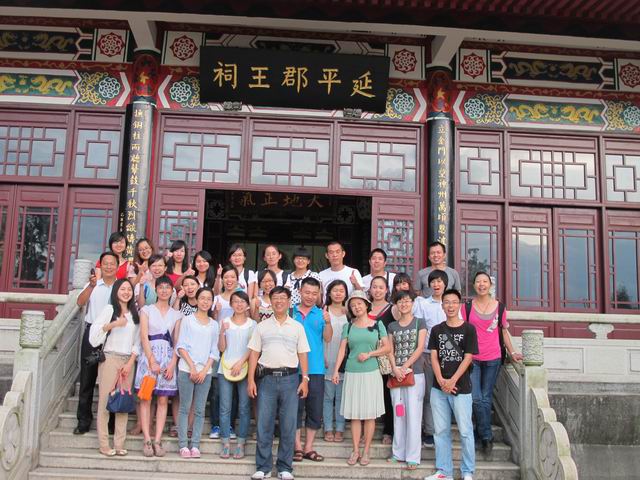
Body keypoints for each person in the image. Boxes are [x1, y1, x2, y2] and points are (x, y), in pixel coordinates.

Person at [247, 286, 310, 480]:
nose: (279, 301)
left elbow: (302, 354)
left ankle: (285, 467)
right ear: (271, 301)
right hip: (266, 379)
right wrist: (251, 380)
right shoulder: (262, 326)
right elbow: (254, 354)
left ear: (289, 301)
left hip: (290, 379)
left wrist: (305, 379)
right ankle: (263, 467)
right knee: (264, 424)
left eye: (283, 297)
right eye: (275, 297)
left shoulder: (297, 327)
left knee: (288, 424)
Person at [462, 271, 523, 456]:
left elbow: (503, 332)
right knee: (476, 397)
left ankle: (482, 436)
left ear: (490, 285)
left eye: (485, 281)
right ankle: (486, 436)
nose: (481, 284)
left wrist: (512, 352)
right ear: (474, 285)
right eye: (478, 282)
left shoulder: (500, 307)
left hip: (493, 357)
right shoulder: (467, 307)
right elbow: (462, 331)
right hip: (473, 358)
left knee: (486, 397)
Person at [331, 290, 390, 467]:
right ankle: (356, 450)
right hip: (352, 372)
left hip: (372, 372)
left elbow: (387, 348)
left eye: (359, 303)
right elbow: (342, 350)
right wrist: (336, 371)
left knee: (370, 415)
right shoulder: (348, 327)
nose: (356, 307)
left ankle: (366, 451)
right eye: (353, 305)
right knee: (355, 415)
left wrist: (370, 354)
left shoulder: (378, 324)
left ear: (366, 305)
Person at [425, 289, 478, 480]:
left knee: (465, 431)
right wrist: (441, 380)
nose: (450, 306)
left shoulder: (469, 329)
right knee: (440, 431)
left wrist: (452, 380)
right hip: (438, 388)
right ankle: (444, 471)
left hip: (461, 388)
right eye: (447, 302)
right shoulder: (436, 330)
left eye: (454, 302)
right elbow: (433, 356)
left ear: (459, 305)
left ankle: (467, 470)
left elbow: (468, 357)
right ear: (442, 306)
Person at [88, 278, 139, 456]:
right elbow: (94, 335)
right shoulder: (109, 310)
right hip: (110, 358)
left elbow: (137, 342)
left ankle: (119, 444)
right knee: (105, 402)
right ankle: (104, 444)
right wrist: (114, 324)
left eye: (129, 289)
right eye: (122, 289)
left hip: (128, 361)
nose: (126, 292)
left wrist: (130, 362)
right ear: (116, 291)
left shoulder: (135, 313)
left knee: (123, 402)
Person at [135, 275, 182, 457]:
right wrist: (151, 360)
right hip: (149, 357)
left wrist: (172, 363)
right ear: (156, 290)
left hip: (168, 358)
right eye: (161, 287)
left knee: (163, 400)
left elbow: (177, 340)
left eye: (167, 287)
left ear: (172, 291)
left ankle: (158, 439)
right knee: (146, 398)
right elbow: (143, 336)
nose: (164, 290)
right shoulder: (146, 310)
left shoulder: (176, 314)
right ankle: (147, 439)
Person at [74, 251, 118, 435]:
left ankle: (111, 422)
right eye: (105, 263)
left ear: (117, 266)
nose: (108, 266)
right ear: (101, 266)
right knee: (87, 379)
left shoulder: (121, 286)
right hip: (92, 333)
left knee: (112, 381)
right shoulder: (93, 285)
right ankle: (83, 421)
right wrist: (91, 286)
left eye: (112, 263)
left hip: (113, 335)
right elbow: (79, 302)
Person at [176, 287, 219, 459]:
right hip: (186, 369)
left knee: (200, 410)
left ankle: (195, 445)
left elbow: (214, 350)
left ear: (212, 302)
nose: (205, 301)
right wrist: (193, 368)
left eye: (209, 299)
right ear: (197, 300)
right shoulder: (187, 320)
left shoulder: (214, 324)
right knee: (185, 408)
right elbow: (181, 345)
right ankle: (182, 445)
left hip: (205, 372)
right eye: (202, 298)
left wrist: (204, 370)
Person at [292, 277, 332, 463]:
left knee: (314, 409)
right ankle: (297, 447)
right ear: (300, 291)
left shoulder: (321, 313)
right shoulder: (290, 312)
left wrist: (328, 322)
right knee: (294, 408)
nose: (310, 296)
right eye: (307, 292)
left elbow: (328, 338)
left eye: (314, 294)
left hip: (316, 368)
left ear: (319, 295)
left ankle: (308, 447)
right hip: (293, 368)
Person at [386, 290, 427, 470]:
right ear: (396, 305)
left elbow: (420, 348)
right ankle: (398, 453)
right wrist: (395, 368)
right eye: (400, 301)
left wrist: (404, 367)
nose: (404, 304)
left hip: (414, 373)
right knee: (399, 413)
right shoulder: (392, 326)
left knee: (414, 415)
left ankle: (412, 456)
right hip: (396, 375)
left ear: (413, 303)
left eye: (407, 301)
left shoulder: (420, 322)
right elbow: (390, 349)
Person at [218, 290, 256, 460]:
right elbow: (221, 348)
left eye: (242, 301)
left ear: (247, 304)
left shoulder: (253, 324)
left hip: (245, 368)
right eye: (236, 301)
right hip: (225, 368)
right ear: (231, 304)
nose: (239, 304)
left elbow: (253, 348)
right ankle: (225, 443)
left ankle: (241, 444)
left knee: (244, 407)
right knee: (225, 406)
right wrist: (222, 332)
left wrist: (241, 363)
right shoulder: (225, 322)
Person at [415, 269, 448, 448]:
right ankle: (429, 431)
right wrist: (420, 354)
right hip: (427, 355)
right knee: (428, 395)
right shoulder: (423, 304)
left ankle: (443, 430)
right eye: (433, 281)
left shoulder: (451, 304)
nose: (436, 284)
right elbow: (419, 329)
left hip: (448, 357)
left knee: (445, 393)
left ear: (445, 284)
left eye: (439, 281)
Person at [210, 264, 240, 440]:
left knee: (233, 390)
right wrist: (216, 312)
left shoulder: (241, 298)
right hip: (218, 348)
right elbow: (212, 322)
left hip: (235, 349)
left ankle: (230, 425)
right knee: (216, 390)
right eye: (226, 277)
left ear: (237, 280)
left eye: (232, 277)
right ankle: (215, 424)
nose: (229, 280)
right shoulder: (216, 299)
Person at [368, 275, 396, 445]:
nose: (377, 290)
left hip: (385, 357)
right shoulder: (363, 307)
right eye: (374, 287)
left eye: (381, 287)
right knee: (368, 394)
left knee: (387, 394)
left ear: (386, 290)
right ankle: (366, 431)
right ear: (370, 289)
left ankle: (388, 430)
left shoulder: (393, 309)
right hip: (367, 357)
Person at [322, 280, 348, 443]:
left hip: (344, 360)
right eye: (335, 290)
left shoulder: (350, 312)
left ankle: (340, 428)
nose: (338, 293)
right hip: (327, 356)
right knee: (327, 396)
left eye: (341, 290)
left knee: (341, 397)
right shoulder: (323, 311)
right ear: (329, 293)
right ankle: (327, 428)